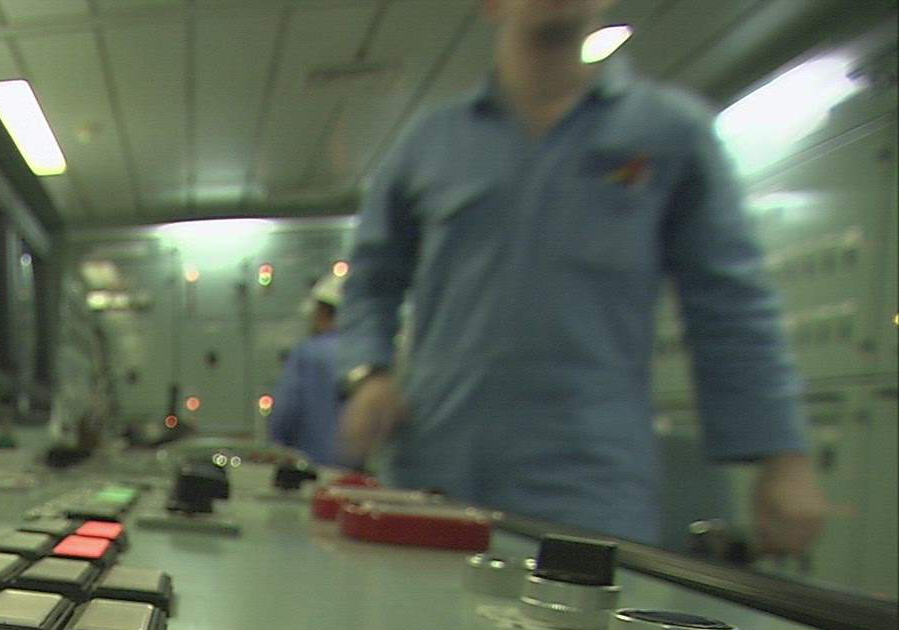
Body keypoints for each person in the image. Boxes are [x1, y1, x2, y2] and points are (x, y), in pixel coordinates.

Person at [334, 0, 826, 554]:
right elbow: (371, 278)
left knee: (584, 610)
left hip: (590, 484)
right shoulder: (429, 144)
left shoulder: (668, 134)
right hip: (437, 468)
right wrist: (367, 374)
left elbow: (728, 300)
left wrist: (783, 454)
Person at [268, 273, 350, 467]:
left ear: (322, 311)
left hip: (310, 465)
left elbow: (286, 411)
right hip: (356, 470)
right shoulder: (364, 355)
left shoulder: (307, 353)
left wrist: (275, 449)